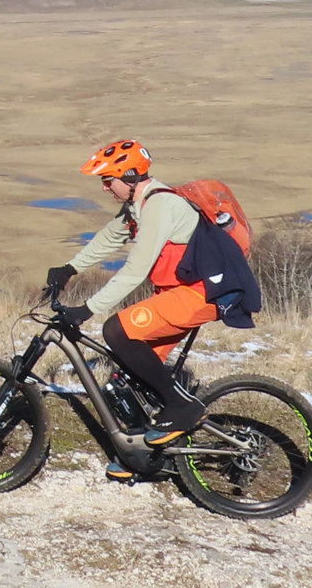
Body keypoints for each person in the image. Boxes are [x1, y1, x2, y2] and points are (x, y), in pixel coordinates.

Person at [45, 138, 217, 482]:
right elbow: (111, 237)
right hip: (175, 294)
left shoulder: (158, 206)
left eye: (109, 180)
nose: (106, 187)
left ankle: (183, 408)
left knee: (116, 330)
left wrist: (88, 309)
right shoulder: (138, 206)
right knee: (126, 377)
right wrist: (69, 268)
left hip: (196, 295)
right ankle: (143, 457)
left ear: (132, 175)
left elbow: (136, 270)